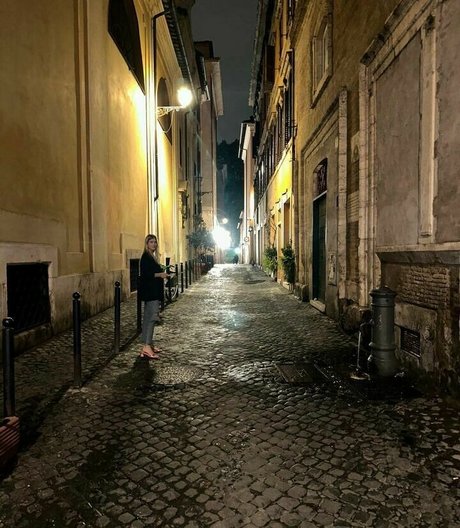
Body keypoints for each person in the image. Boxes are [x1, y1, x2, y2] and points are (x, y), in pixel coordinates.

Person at [138, 234, 169, 359]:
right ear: (147, 244)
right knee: (152, 318)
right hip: (151, 292)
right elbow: (146, 275)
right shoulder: (146, 257)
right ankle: (146, 346)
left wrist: (161, 274)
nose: (154, 244)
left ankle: (148, 344)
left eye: (155, 242)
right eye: (151, 242)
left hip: (152, 291)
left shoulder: (151, 256)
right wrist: (160, 274)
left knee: (147, 318)